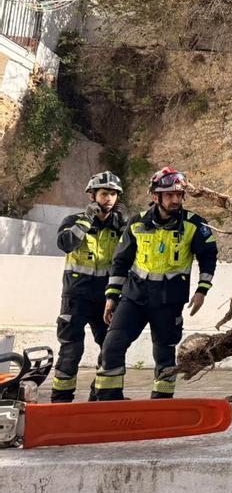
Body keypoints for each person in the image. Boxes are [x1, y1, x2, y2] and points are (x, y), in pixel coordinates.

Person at [95, 167, 218, 400]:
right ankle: (108, 399)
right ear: (155, 196)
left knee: (164, 355)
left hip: (169, 302)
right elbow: (120, 262)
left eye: (179, 195)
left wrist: (202, 290)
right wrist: (111, 297)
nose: (175, 200)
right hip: (134, 298)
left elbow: (209, 257)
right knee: (112, 346)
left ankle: (161, 403)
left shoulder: (194, 224)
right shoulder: (136, 223)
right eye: (169, 195)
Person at [49, 171, 127, 402]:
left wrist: (124, 225)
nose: (109, 198)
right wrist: (86, 220)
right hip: (76, 297)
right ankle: (61, 400)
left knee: (110, 348)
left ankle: (102, 397)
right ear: (92, 196)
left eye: (113, 194)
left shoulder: (118, 227)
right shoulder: (73, 221)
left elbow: (129, 255)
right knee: (71, 350)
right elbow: (65, 244)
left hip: (106, 299)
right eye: (104, 193)